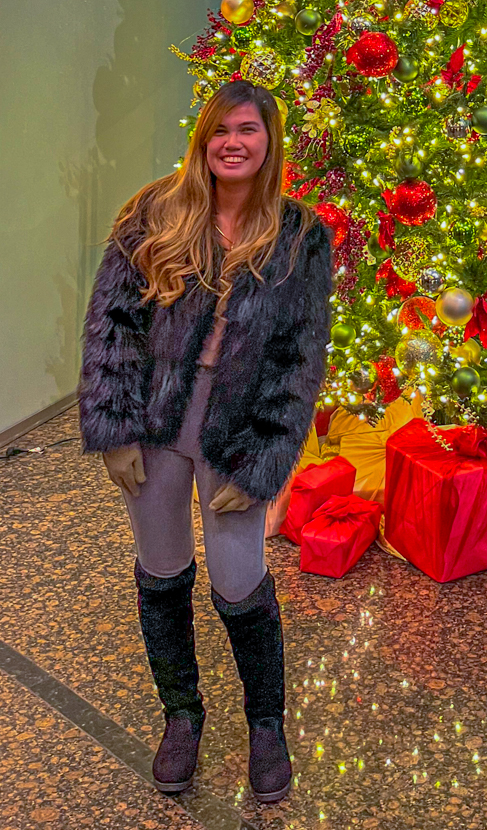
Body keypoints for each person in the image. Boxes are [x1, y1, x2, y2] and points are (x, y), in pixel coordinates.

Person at [78, 80, 332, 802]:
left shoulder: (300, 235)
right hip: (155, 422)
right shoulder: (153, 213)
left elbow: (300, 358)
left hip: (239, 430)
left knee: (238, 580)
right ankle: (182, 715)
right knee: (161, 573)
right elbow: (111, 325)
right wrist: (114, 429)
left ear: (269, 141)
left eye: (247, 129)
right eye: (220, 129)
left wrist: (264, 461)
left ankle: (266, 725)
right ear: (203, 139)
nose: (232, 143)